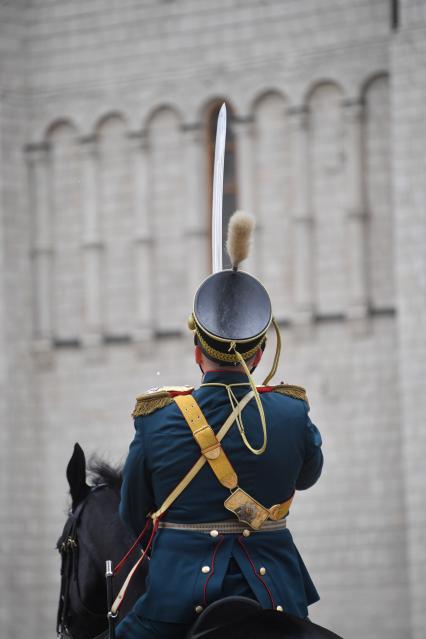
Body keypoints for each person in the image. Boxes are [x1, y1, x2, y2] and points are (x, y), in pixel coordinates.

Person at [115, 212, 323, 639]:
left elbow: (133, 512)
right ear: (260, 354)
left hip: (175, 597)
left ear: (197, 352)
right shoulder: (290, 411)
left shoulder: (156, 419)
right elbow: (309, 475)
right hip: (276, 593)